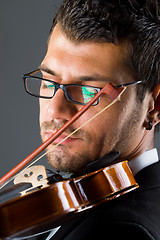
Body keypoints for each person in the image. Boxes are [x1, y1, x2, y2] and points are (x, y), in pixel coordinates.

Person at [23, 0, 160, 239]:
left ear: (154, 106)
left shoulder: (124, 231)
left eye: (89, 92)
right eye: (49, 82)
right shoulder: (71, 201)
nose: (55, 110)